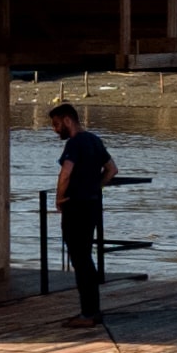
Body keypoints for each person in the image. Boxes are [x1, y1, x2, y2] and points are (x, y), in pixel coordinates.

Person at [48, 101, 117, 325]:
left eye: (57, 124)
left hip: (76, 206)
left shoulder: (75, 143)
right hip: (93, 206)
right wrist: (96, 186)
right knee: (86, 257)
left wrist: (59, 198)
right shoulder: (94, 140)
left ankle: (87, 313)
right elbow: (112, 169)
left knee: (80, 259)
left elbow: (65, 173)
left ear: (68, 120)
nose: (55, 129)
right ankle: (92, 309)